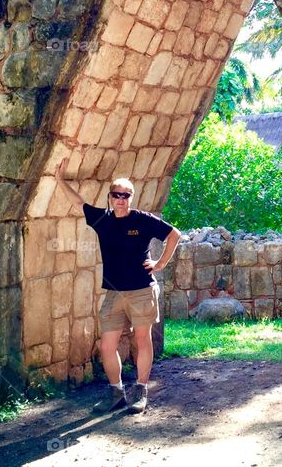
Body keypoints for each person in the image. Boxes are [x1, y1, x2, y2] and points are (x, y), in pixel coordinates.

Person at [55, 158, 181, 414]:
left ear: (131, 198)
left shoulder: (143, 219)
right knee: (106, 345)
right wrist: (60, 180)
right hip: (113, 291)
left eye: (126, 195)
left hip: (142, 289)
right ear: (110, 197)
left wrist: (160, 263)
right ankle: (116, 393)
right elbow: (79, 202)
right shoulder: (103, 220)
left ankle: (141, 391)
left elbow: (174, 235)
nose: (121, 199)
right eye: (116, 195)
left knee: (142, 340)